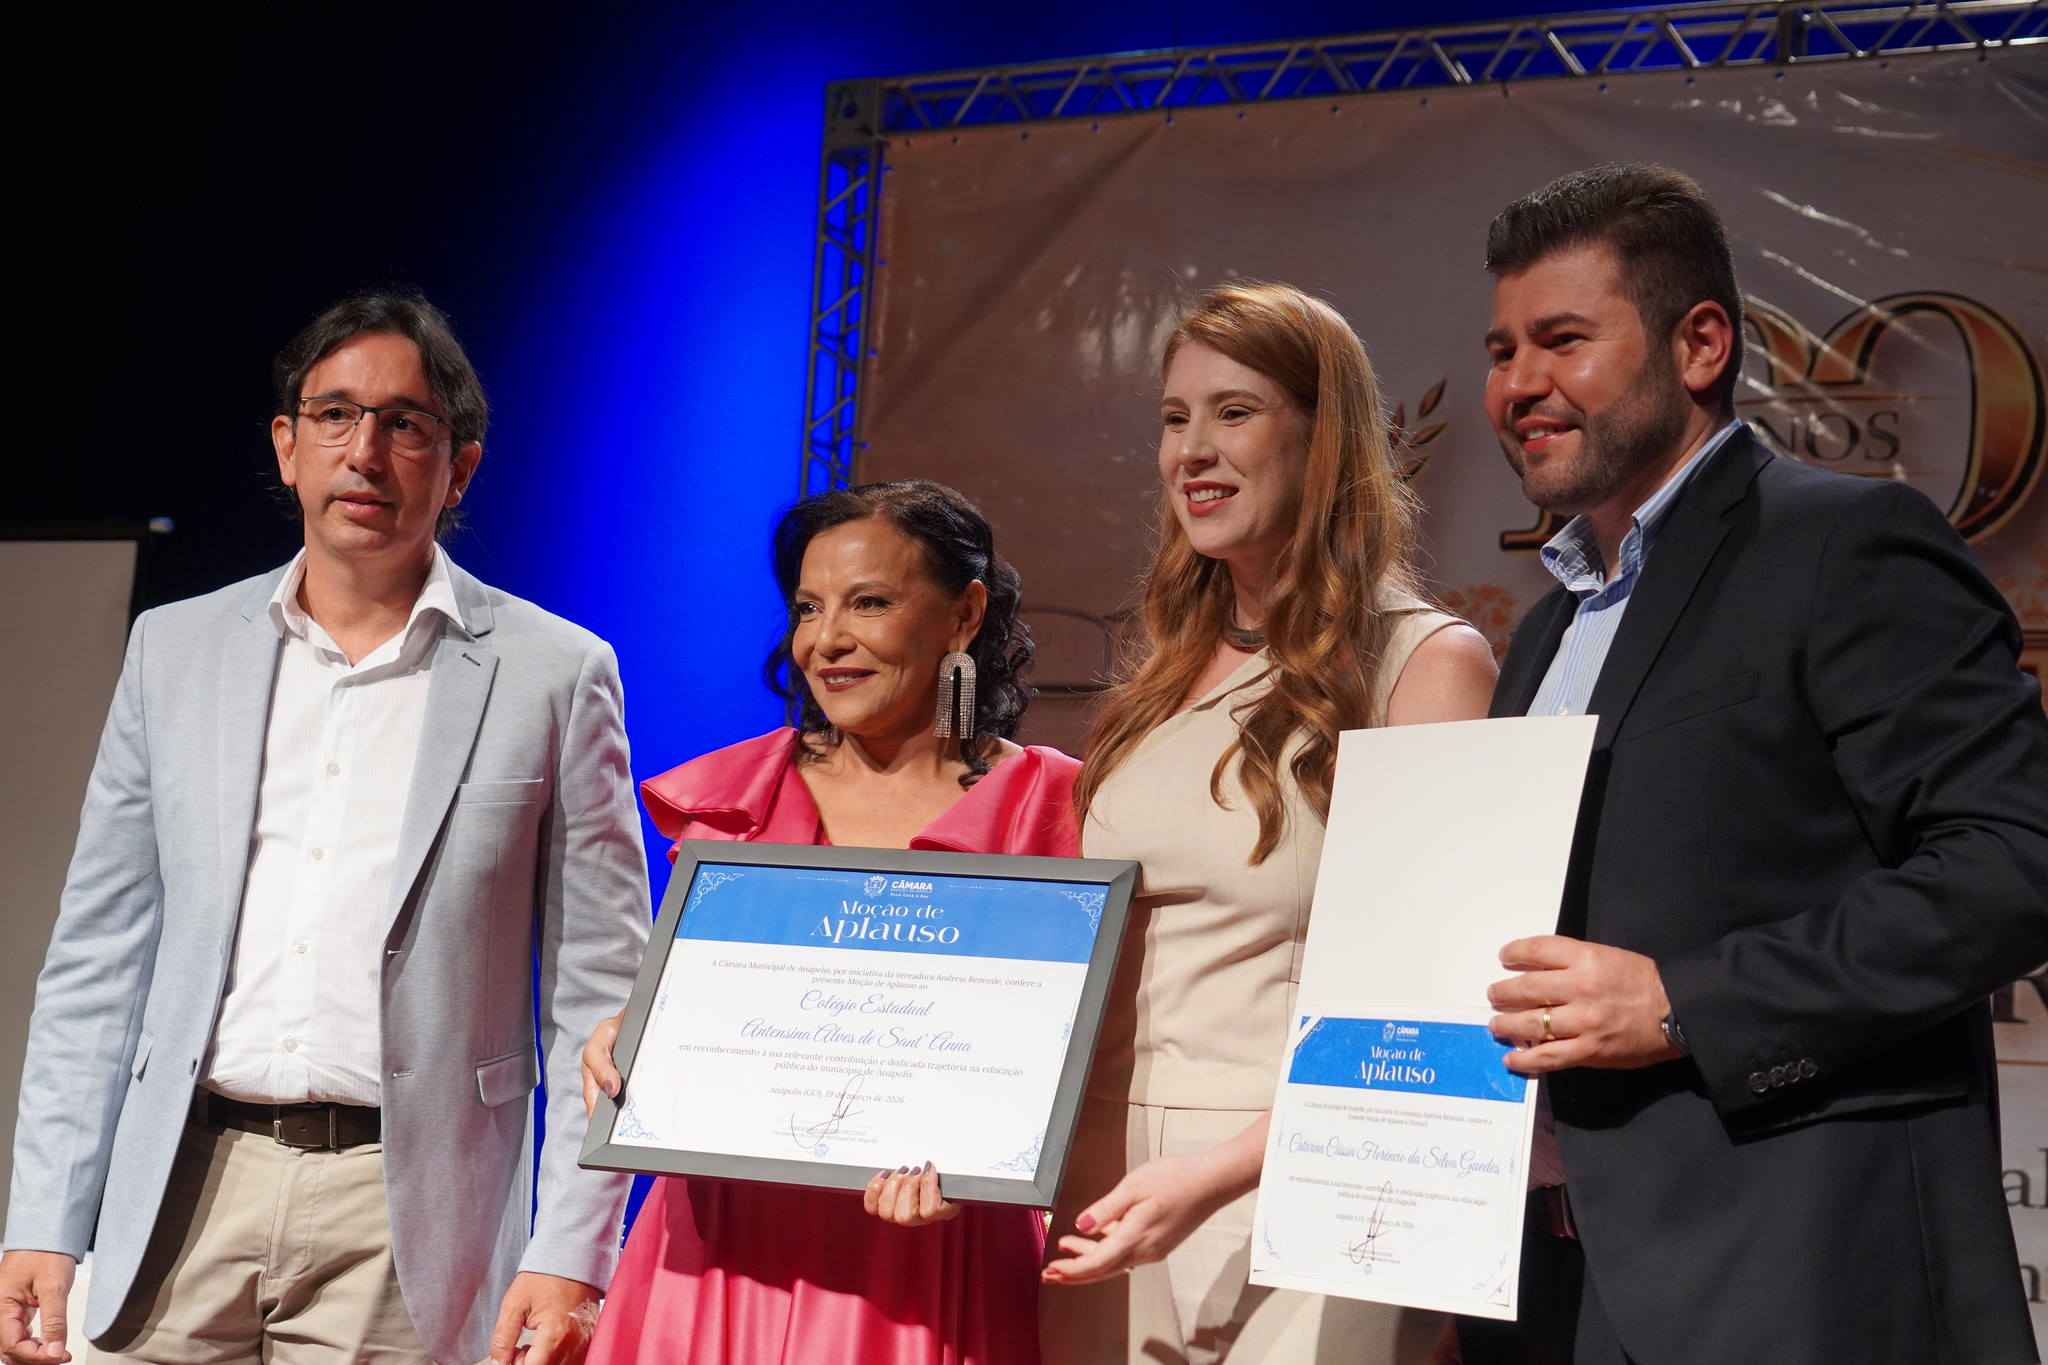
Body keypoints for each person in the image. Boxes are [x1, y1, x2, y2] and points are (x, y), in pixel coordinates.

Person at [1465, 164, 2048, 1365]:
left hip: (1796, 1279)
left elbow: (2012, 865)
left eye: (1560, 340)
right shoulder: (1540, 633)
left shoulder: (1843, 545)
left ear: (1697, 344)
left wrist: (1683, 1005)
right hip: (1557, 1283)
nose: (1516, 385)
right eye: (1500, 349)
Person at [0, 293, 650, 1365]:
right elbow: (96, 962)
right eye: (336, 415)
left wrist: (570, 1248)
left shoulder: (554, 671)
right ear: (287, 444)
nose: (366, 450)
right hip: (180, 1185)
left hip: (408, 1210)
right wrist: (44, 1214)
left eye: (406, 424)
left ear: (461, 467)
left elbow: (599, 997)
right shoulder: (177, 650)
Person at [1039, 282, 1500, 1363]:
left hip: (1304, 1185)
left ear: (1322, 436)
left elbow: (1428, 1016)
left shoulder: (1422, 664)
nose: (1191, 451)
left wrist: (1207, 1179)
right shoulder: (1155, 680)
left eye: (1232, 412)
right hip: (1103, 1183)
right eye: (1172, 417)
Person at [578, 480, 1073, 1365]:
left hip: (926, 1257)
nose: (826, 640)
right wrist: (631, 1035)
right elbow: (700, 1015)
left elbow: (1088, 1066)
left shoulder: (1046, 809)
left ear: (963, 615)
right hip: (718, 1251)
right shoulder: (740, 800)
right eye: (808, 608)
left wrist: (993, 1157)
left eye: (869, 602)